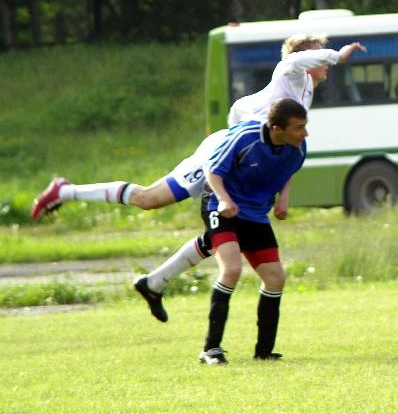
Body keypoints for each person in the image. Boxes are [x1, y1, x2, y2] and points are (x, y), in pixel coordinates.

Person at [31, 35, 365, 321]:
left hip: (239, 161)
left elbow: (284, 148)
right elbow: (292, 67)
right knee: (150, 199)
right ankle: (66, 191)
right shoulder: (288, 74)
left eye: (327, 56)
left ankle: (154, 283)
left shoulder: (304, 89)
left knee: (225, 234)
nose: (327, 63)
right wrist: (339, 54)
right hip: (221, 153)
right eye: (321, 55)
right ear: (305, 58)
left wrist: (282, 192)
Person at [197, 97, 308, 365]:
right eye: (298, 127)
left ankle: (264, 352)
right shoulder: (246, 137)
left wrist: (284, 198)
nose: (305, 133)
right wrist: (224, 200)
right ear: (276, 129)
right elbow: (212, 170)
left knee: (275, 277)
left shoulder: (298, 147)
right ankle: (210, 349)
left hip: (255, 213)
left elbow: (287, 170)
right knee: (232, 270)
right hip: (220, 206)